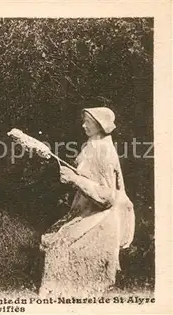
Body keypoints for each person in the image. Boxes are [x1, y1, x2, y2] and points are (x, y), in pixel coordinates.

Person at [39, 107, 135, 297]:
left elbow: (107, 197)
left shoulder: (104, 152)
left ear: (99, 125)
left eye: (87, 122)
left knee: (60, 246)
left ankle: (65, 290)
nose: (83, 125)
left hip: (102, 216)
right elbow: (88, 176)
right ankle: (55, 289)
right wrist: (74, 175)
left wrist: (75, 180)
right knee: (56, 239)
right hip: (87, 209)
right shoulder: (90, 146)